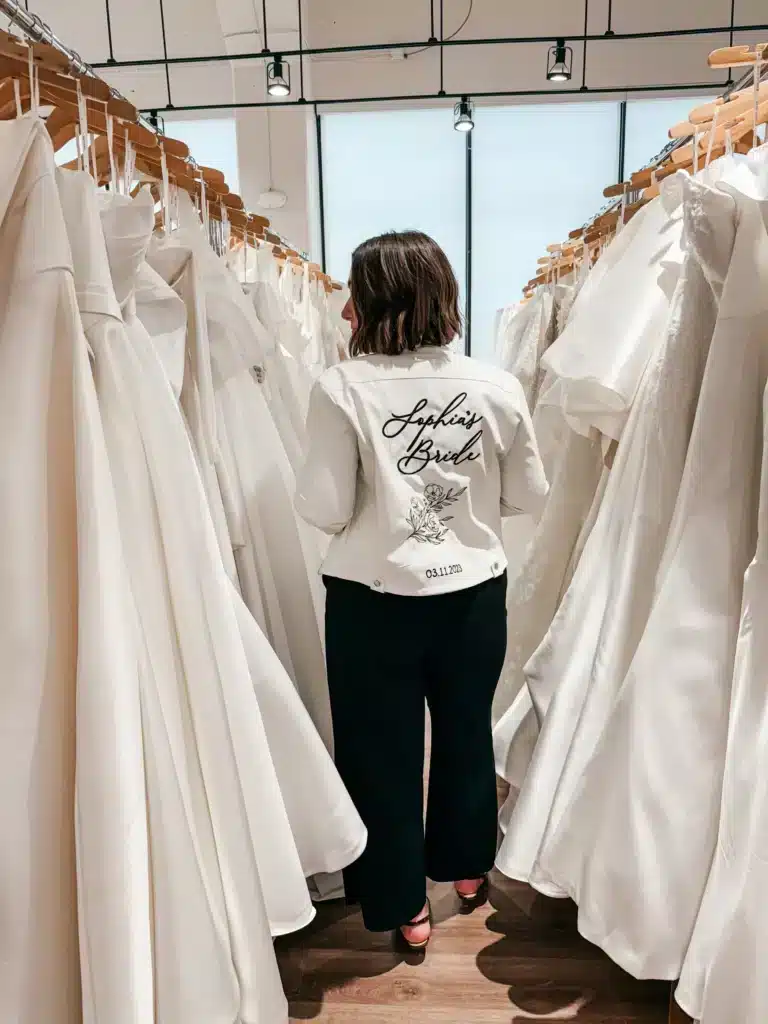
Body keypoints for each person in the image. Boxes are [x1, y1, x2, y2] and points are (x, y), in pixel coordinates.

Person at [295, 230, 548, 950]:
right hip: (471, 595)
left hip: (371, 601)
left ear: (373, 299)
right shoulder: (495, 385)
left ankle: (405, 905)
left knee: (381, 754)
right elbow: (530, 492)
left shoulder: (340, 387)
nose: (344, 307)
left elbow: (325, 506)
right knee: (466, 733)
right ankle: (467, 869)